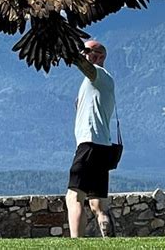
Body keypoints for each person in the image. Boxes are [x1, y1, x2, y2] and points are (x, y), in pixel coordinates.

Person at [66, 39, 116, 238]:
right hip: (102, 147)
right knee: (99, 205)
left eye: (86, 51)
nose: (83, 54)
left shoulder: (100, 76)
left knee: (73, 197)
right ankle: (110, 242)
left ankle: (76, 243)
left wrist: (66, 49)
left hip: (89, 144)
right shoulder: (98, 82)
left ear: (99, 56)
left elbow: (82, 64)